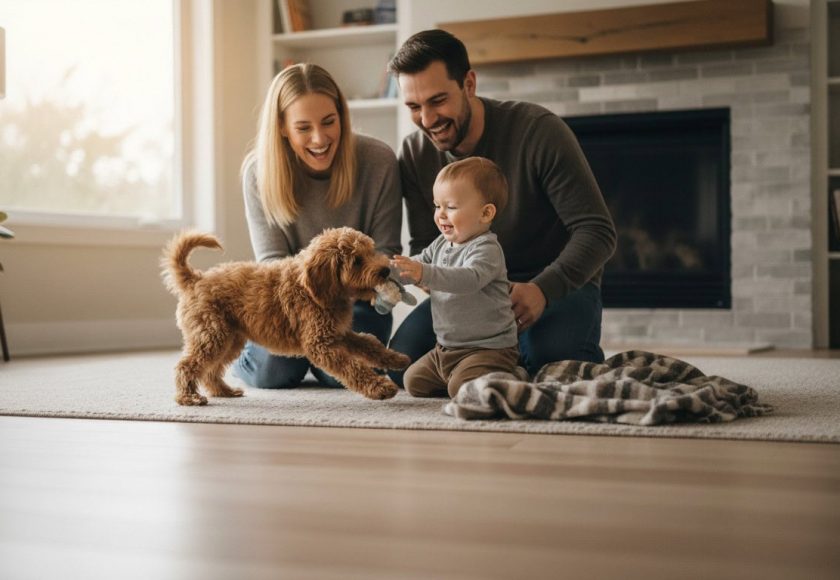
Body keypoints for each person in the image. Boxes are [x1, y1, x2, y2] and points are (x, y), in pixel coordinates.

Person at [387, 29, 617, 383]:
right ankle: (498, 357)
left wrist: (543, 289)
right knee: (399, 363)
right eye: (414, 107)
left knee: (552, 363)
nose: (428, 119)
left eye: (438, 100)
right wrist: (425, 278)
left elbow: (598, 231)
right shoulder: (416, 154)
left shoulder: (539, 131)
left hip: (550, 283)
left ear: (469, 84)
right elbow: (425, 244)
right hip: (467, 289)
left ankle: (515, 353)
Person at [233, 63, 403, 389]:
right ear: (282, 127)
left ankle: (317, 358)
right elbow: (271, 264)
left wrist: (343, 294)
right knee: (275, 373)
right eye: (303, 128)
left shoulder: (379, 161)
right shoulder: (258, 173)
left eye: (329, 122)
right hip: (289, 305)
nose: (319, 138)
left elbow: (387, 255)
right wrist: (312, 311)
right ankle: (243, 354)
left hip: (359, 301)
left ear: (342, 115)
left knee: (340, 374)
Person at [392, 157, 519, 398]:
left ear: (485, 213)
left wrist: (424, 273)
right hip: (446, 349)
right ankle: (461, 375)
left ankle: (509, 374)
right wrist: (390, 271)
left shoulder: (487, 249)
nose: (440, 215)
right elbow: (419, 263)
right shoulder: (442, 242)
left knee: (460, 388)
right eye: (437, 206)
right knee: (413, 381)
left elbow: (468, 279)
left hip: (488, 348)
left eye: (450, 207)